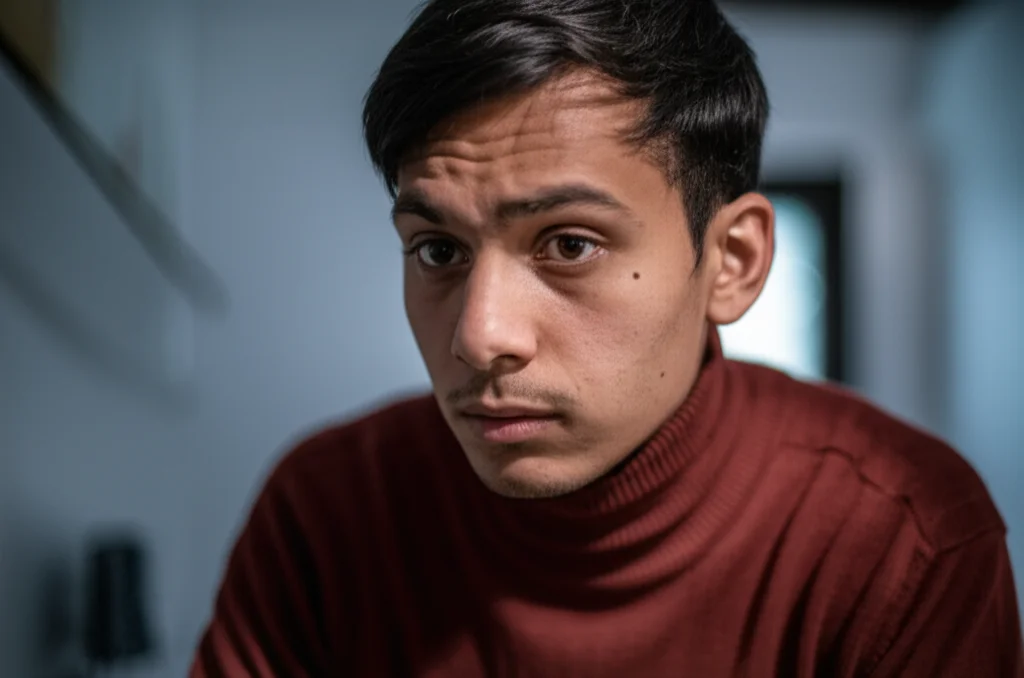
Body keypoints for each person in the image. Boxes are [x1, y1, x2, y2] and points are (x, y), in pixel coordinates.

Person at [190, 0, 1023, 675]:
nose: (479, 338)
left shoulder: (901, 536)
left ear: (731, 262)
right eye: (438, 250)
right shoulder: (330, 511)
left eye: (569, 244)